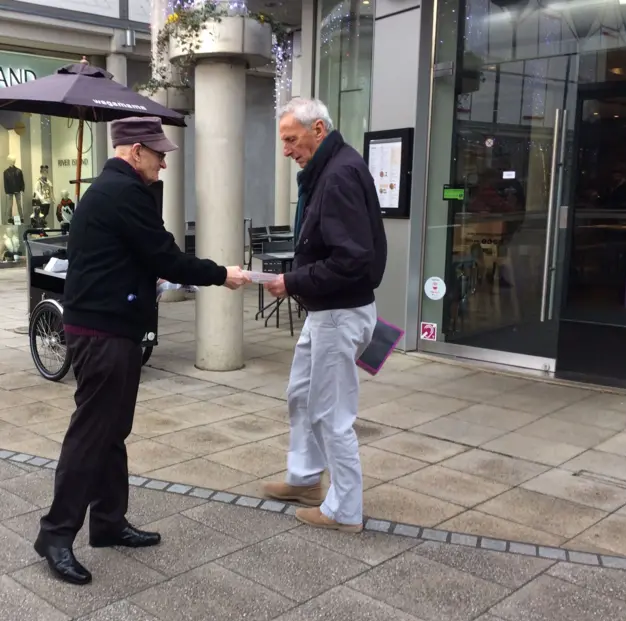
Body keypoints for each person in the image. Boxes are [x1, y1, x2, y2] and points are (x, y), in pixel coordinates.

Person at [35, 116, 248, 585]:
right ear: (134, 150)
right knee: (91, 434)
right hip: (103, 332)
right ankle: (54, 534)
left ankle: (109, 523)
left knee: (112, 431)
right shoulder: (125, 193)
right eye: (159, 153)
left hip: (107, 328)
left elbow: (141, 257)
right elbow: (166, 256)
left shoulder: (109, 190)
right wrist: (222, 274)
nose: (165, 161)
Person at [262, 98, 387, 532]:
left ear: (318, 129)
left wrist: (293, 282)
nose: (286, 150)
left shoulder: (337, 176)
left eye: (291, 139)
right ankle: (305, 479)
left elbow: (352, 258)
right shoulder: (330, 169)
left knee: (331, 415)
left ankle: (345, 510)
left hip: (340, 312)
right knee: (300, 395)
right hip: (328, 311)